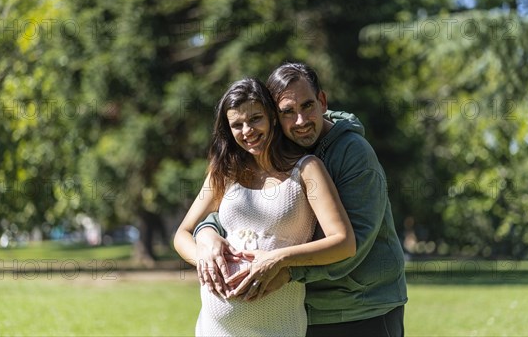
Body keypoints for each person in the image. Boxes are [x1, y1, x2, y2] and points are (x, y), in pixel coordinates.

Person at [194, 63, 408, 336]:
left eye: (307, 106)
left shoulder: (354, 154)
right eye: (287, 112)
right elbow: (248, 206)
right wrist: (207, 231)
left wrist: (286, 270)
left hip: (363, 307)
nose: (300, 121)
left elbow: (356, 240)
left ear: (322, 101)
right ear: (274, 115)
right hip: (306, 310)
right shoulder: (283, 149)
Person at [174, 77, 356, 336]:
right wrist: (202, 254)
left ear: (272, 117)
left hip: (279, 325)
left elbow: (344, 243)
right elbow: (182, 234)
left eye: (255, 118)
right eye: (237, 125)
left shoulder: (307, 170)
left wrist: (278, 259)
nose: (247, 130)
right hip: (215, 327)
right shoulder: (225, 171)